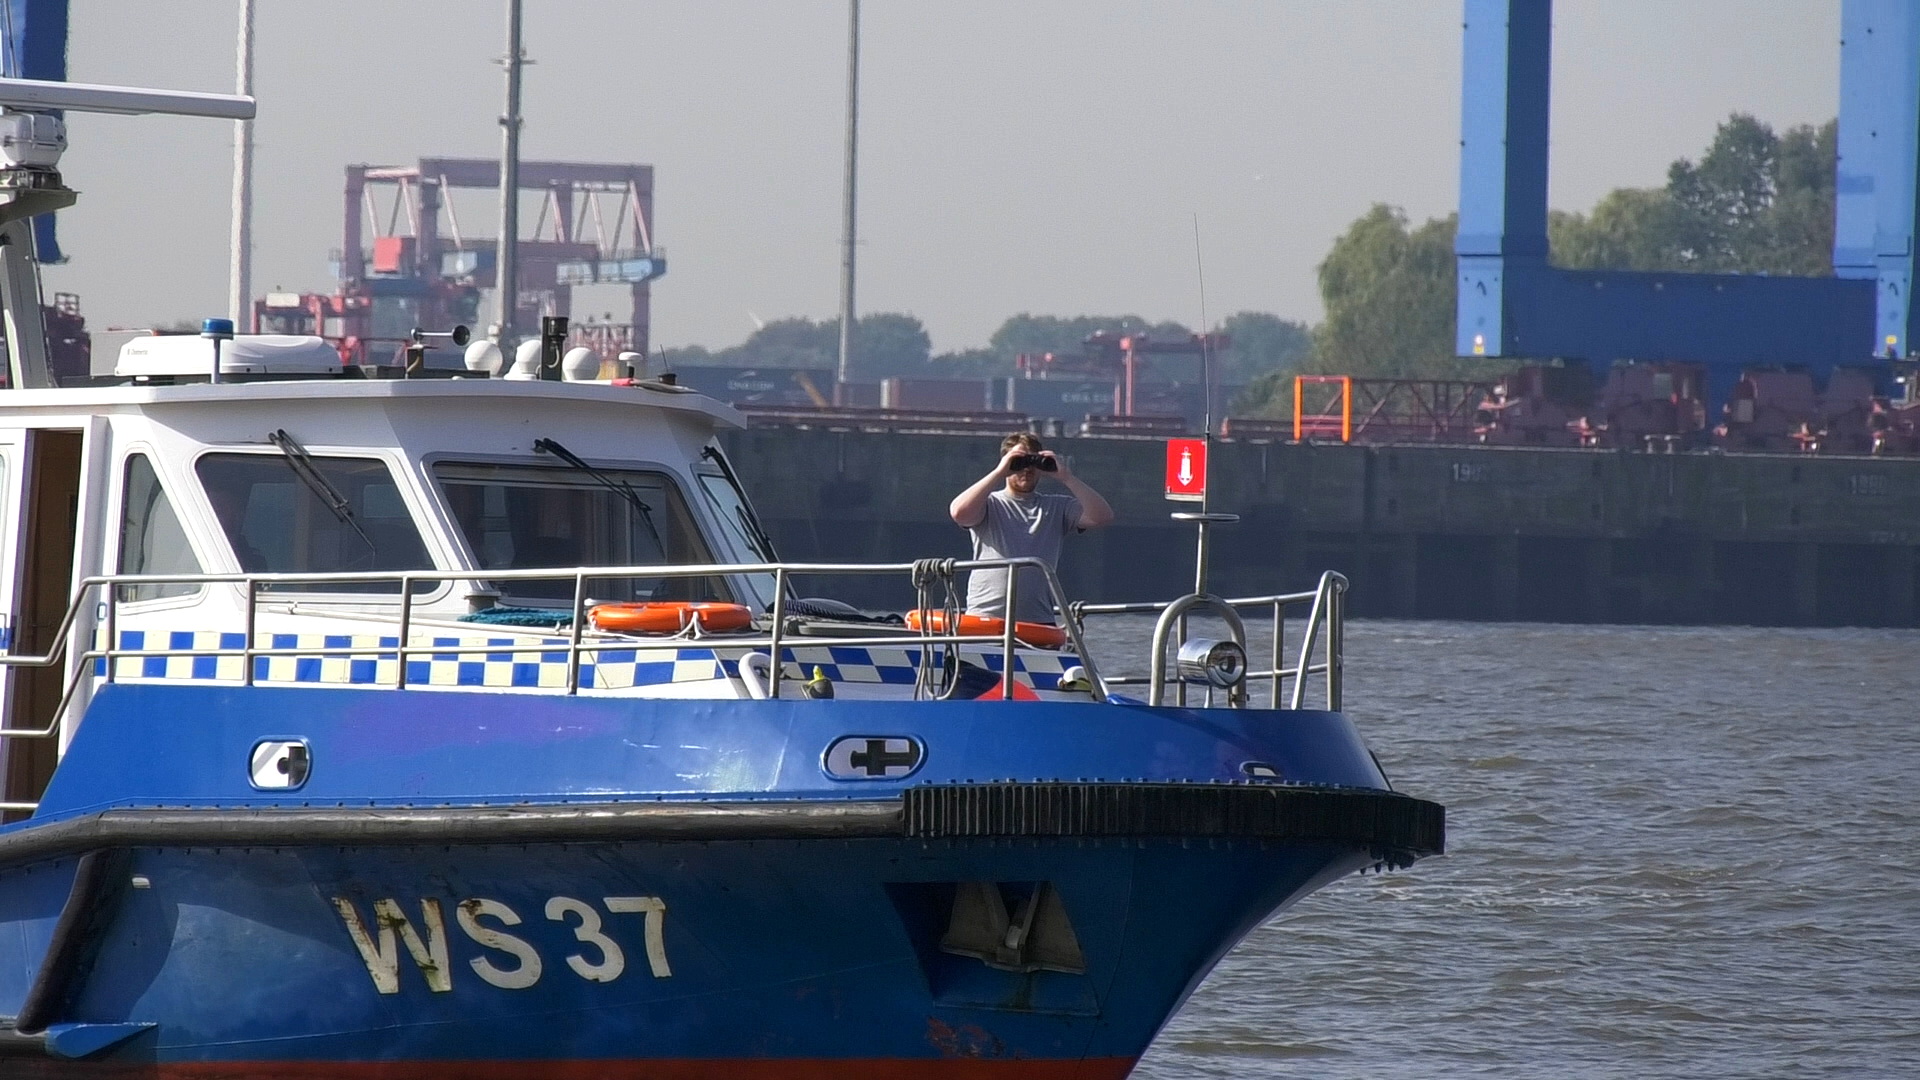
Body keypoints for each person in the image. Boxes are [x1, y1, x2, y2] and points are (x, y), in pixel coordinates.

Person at [948, 433, 1114, 625]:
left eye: (1032, 462)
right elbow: (959, 512)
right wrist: (998, 473)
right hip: (985, 616)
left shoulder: (1057, 507)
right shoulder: (988, 504)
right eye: (1018, 462)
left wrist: (1066, 477)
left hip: (1038, 620)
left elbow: (1102, 517)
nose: (1026, 469)